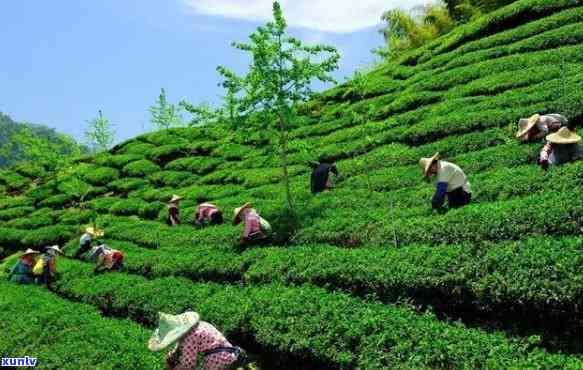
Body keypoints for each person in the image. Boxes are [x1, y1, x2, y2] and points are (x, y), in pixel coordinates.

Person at [148, 311, 247, 370]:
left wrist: (174, 368)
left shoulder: (189, 338)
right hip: (230, 354)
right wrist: (173, 354)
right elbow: (180, 346)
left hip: (218, 363)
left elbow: (188, 364)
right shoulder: (199, 325)